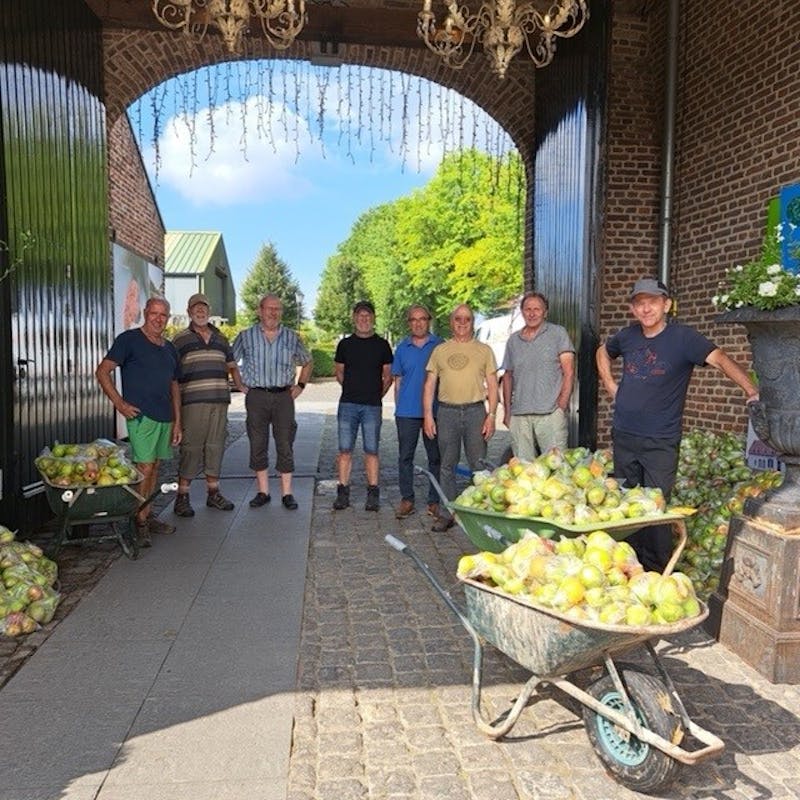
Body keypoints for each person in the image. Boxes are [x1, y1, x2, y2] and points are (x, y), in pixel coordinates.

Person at [596, 277, 759, 571]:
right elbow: (602, 351)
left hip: (660, 440)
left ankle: (656, 571)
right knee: (626, 503)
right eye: (640, 303)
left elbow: (721, 359)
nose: (646, 309)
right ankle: (628, 567)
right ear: (633, 308)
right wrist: (609, 383)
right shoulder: (626, 336)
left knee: (656, 507)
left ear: (666, 305)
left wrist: (751, 390)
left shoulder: (684, 338)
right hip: (624, 434)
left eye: (653, 302)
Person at [95, 296, 181, 547]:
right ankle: (138, 521)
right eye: (154, 313)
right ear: (145, 313)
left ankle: (146, 513)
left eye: (163, 315)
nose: (158, 319)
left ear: (168, 318)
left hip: (165, 416)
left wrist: (178, 421)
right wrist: (120, 404)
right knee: (144, 467)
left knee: (155, 467)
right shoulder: (129, 340)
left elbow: (175, 386)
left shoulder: (169, 348)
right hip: (141, 416)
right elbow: (102, 371)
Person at [233, 293, 313, 511]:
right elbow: (230, 361)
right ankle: (263, 492)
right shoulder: (246, 336)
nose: (273, 313)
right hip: (256, 396)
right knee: (257, 442)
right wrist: (239, 384)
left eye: (277, 309)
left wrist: (300, 385)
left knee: (285, 442)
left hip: (283, 396)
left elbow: (307, 361)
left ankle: (287, 493)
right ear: (260, 311)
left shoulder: (291, 337)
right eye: (269, 308)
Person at [423, 303, 498, 532]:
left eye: (467, 319)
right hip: (447, 412)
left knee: (479, 466)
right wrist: (428, 415)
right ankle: (448, 513)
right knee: (447, 465)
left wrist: (491, 415)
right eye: (458, 319)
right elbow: (429, 385)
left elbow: (493, 385)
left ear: (473, 323)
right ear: (451, 322)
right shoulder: (440, 351)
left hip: (476, 412)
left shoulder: (484, 350)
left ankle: (481, 513)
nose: (462, 323)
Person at [171, 293, 246, 518]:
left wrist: (242, 387)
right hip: (192, 403)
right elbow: (171, 376)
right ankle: (182, 497)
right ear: (189, 312)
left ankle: (213, 493)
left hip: (219, 401)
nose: (200, 311)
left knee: (216, 447)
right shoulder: (179, 340)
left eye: (203, 308)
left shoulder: (221, 339)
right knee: (191, 448)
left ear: (209, 311)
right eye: (196, 308)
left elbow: (232, 366)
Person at [332, 300, 393, 512]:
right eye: (360, 315)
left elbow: (388, 377)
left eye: (367, 315)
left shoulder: (382, 345)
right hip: (348, 404)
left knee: (372, 450)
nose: (364, 319)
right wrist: (352, 388)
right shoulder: (344, 345)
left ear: (373, 318)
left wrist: (376, 394)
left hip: (372, 407)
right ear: (354, 318)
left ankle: (373, 493)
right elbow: (339, 373)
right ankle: (342, 492)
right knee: (345, 450)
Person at [501, 292, 575, 460]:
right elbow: (508, 376)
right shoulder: (513, 340)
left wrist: (562, 404)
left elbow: (569, 371)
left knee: (555, 466)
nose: (532, 313)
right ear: (522, 312)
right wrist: (507, 411)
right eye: (528, 309)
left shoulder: (558, 334)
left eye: (537, 309)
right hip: (520, 414)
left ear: (545, 312)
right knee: (522, 468)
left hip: (550, 413)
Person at [392, 304, 443, 520]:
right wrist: (398, 409)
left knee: (436, 457)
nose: (418, 323)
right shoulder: (402, 348)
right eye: (413, 319)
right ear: (409, 323)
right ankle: (407, 499)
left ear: (429, 321)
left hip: (434, 411)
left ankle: (434, 500)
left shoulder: (440, 345)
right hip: (407, 412)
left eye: (422, 319)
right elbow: (398, 381)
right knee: (405, 457)